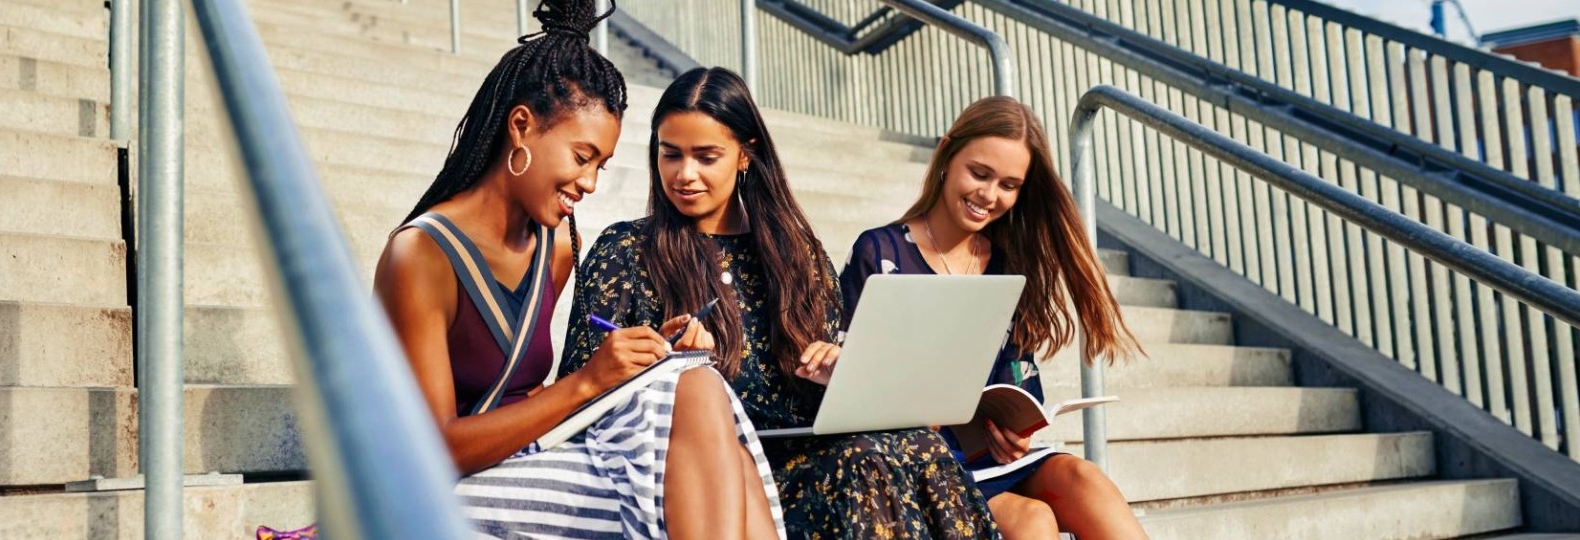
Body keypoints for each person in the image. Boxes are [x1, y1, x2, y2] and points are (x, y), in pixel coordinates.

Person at [370, 3, 781, 538]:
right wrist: (589, 380)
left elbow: (526, 394)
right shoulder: (421, 256)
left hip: (528, 460)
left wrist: (642, 360)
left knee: (695, 386)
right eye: (581, 156)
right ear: (521, 127)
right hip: (430, 486)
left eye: (600, 166)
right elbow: (435, 449)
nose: (589, 183)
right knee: (695, 471)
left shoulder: (556, 244)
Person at [562, 67, 999, 539]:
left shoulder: (796, 253)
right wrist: (665, 364)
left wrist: (840, 373)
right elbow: (579, 390)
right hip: (714, 476)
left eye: (706, 157)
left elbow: (834, 400)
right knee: (861, 464)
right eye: (671, 155)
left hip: (812, 453)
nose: (684, 174)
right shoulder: (626, 250)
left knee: (919, 446)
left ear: (746, 155)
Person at [838, 96, 1148, 539]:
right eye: (979, 174)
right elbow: (846, 376)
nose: (989, 195)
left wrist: (1017, 426)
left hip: (992, 458)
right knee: (1034, 519)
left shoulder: (1008, 264)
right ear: (947, 155)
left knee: (1084, 479)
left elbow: (1019, 373)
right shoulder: (880, 252)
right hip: (917, 460)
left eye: (1009, 184)